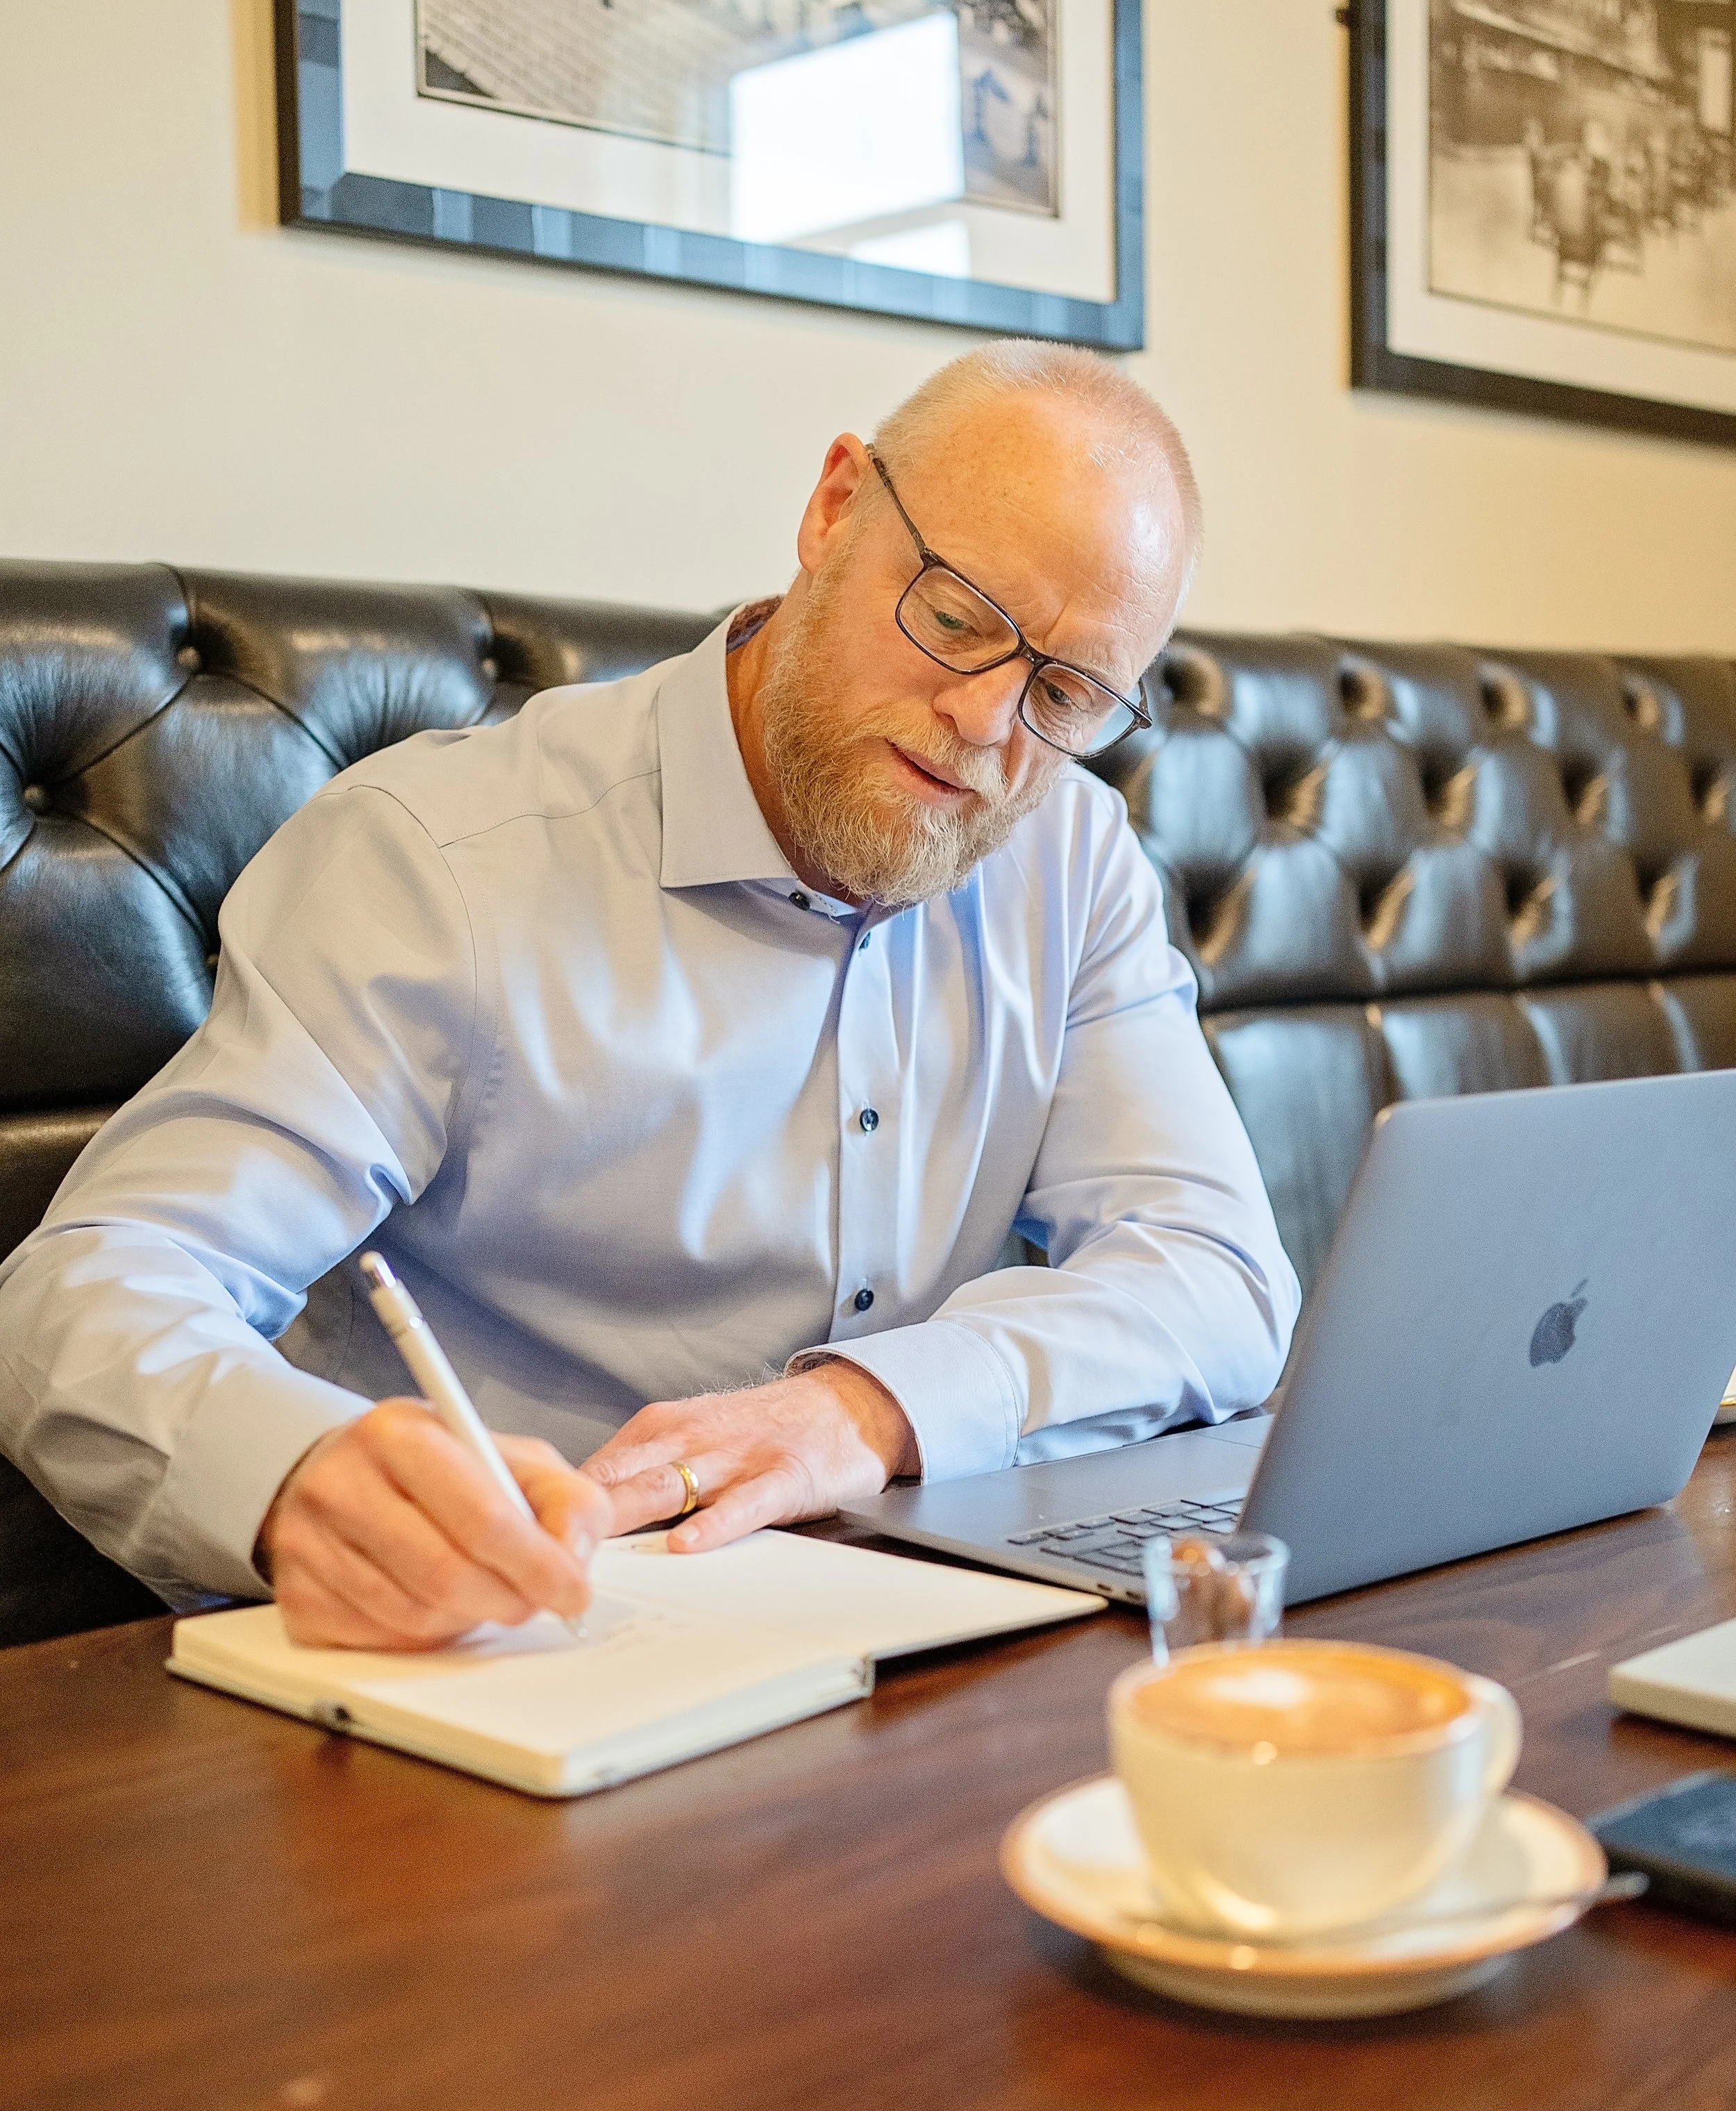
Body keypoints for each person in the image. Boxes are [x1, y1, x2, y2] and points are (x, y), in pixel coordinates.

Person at [0, 345, 1300, 1651]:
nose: (983, 722)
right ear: (835, 507)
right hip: (530, 1648)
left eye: (1065, 692)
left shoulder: (1067, 857)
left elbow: (1219, 1273)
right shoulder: (441, 861)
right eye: (957, 617)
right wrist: (289, 1477)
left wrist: (873, 1407)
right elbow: (87, 1291)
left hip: (909, 1636)